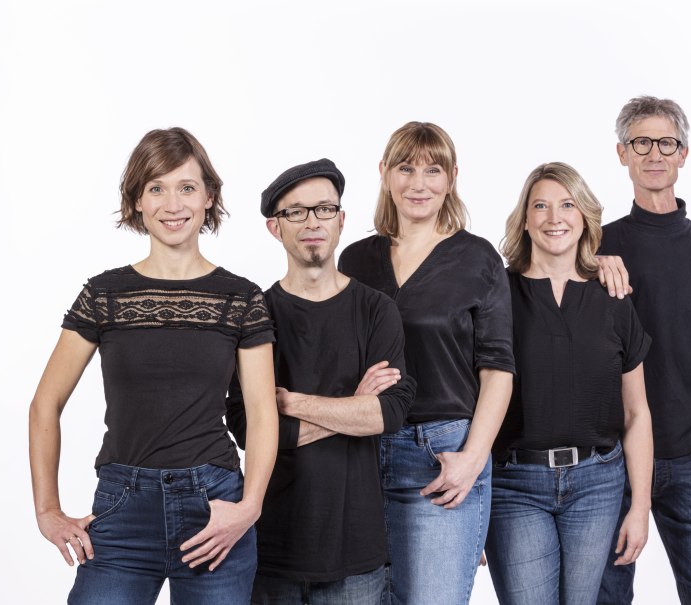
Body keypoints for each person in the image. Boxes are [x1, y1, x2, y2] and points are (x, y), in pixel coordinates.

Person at [28, 127, 278, 605]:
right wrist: (47, 510)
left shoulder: (241, 298)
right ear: (137, 201)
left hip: (215, 508)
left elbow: (263, 412)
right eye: (156, 188)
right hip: (123, 506)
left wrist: (249, 507)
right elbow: (45, 403)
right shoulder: (104, 295)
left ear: (208, 197)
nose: (173, 204)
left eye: (187, 187)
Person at [338, 122, 515, 605]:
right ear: (384, 173)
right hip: (361, 453)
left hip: (442, 455)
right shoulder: (355, 260)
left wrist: (473, 461)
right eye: (406, 168)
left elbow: (498, 370)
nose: (419, 184)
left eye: (433, 170)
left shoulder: (477, 259)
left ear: (452, 177)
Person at [226, 158, 416, 604]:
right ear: (275, 228)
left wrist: (285, 402)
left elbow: (387, 413)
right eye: (296, 212)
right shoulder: (256, 314)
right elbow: (246, 426)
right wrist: (352, 408)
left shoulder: (377, 310)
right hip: (272, 548)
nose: (313, 222)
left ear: (341, 220)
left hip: (356, 552)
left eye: (324, 209)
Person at [597, 96, 691, 605]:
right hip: (612, 459)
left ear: (684, 153)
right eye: (641, 142)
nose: (654, 154)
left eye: (666, 143)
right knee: (606, 598)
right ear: (623, 153)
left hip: (689, 458)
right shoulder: (597, 248)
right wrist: (590, 261)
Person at [483, 162, 654, 605]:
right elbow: (473, 401)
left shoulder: (614, 297)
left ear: (585, 216)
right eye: (540, 206)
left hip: (597, 484)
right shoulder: (497, 294)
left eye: (567, 205)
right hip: (514, 485)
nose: (554, 217)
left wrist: (640, 507)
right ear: (525, 219)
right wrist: (472, 505)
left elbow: (636, 412)